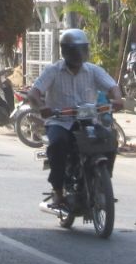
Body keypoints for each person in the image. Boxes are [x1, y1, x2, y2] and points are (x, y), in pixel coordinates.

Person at [28, 28, 124, 208]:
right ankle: (58, 191)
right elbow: (34, 93)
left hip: (88, 121)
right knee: (58, 145)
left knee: (110, 140)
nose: (79, 55)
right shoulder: (53, 71)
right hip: (60, 122)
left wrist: (117, 99)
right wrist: (42, 107)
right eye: (74, 51)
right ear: (65, 51)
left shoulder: (93, 71)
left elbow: (112, 86)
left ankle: (103, 182)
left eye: (82, 50)